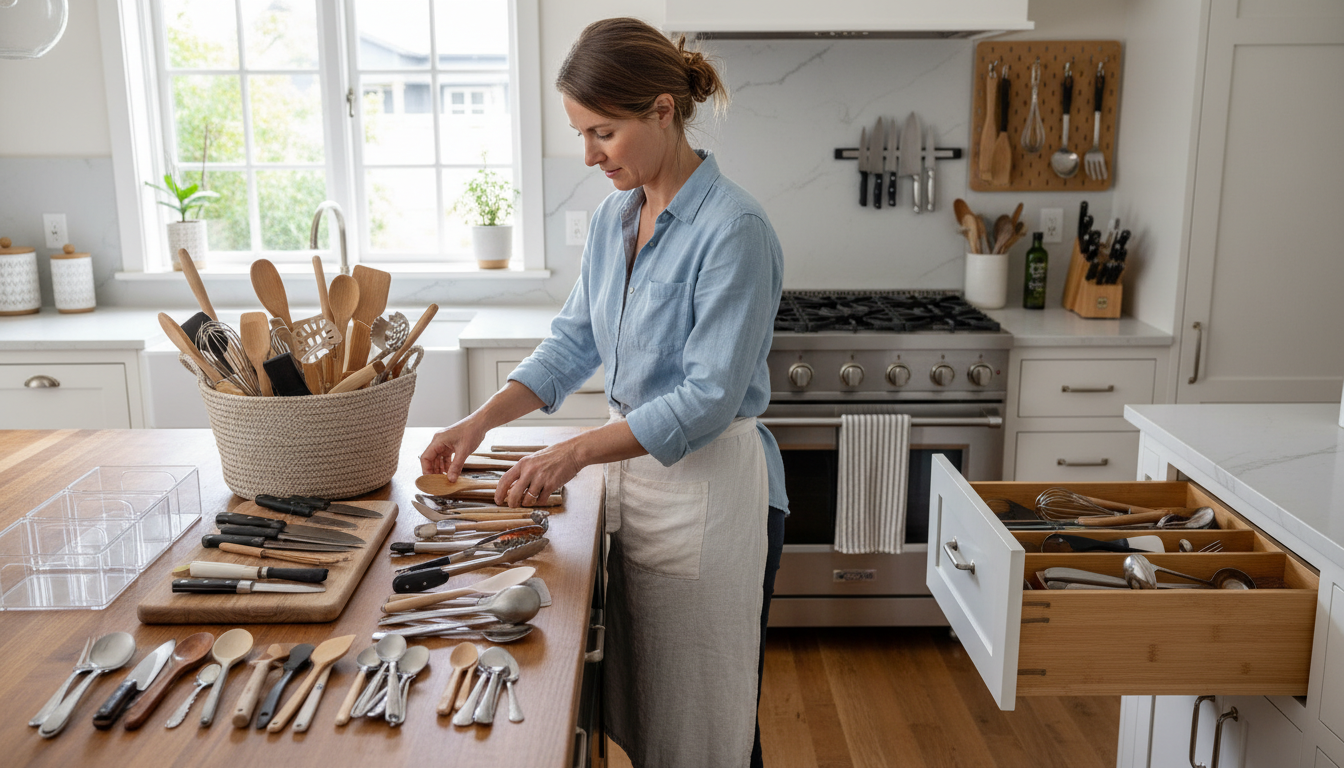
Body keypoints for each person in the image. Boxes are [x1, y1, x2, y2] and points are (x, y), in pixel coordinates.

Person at [419, 17, 787, 768]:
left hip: (706, 495)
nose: (589, 155)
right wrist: (480, 421)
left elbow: (708, 397)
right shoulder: (615, 218)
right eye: (581, 134)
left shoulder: (734, 229)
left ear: (663, 111)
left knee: (704, 721)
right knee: (647, 701)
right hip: (631, 485)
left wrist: (574, 453)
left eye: (603, 133)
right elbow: (572, 342)